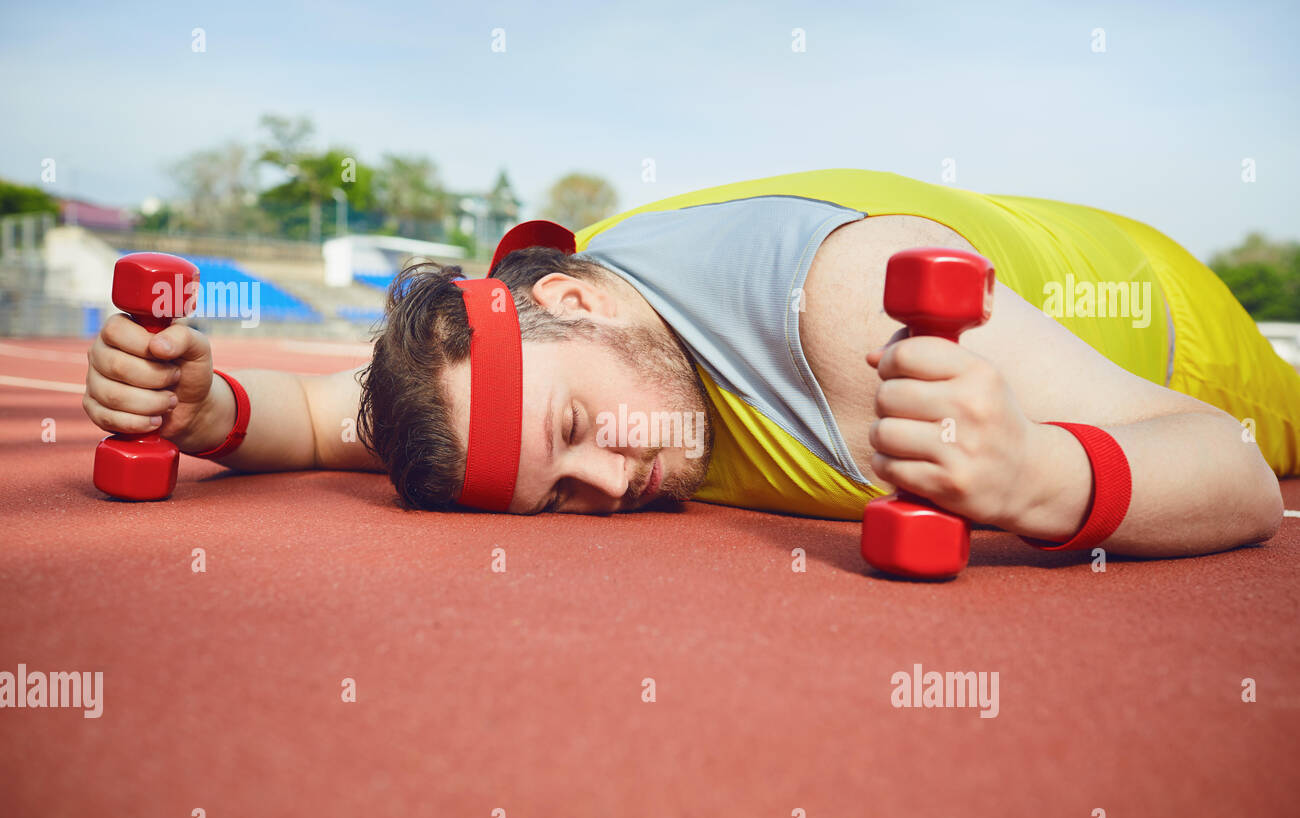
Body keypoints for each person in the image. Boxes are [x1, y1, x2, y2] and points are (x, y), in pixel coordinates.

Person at [82, 169, 1298, 559]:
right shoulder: (537, 360)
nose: (605, 485)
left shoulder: (852, 312)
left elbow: (1234, 469)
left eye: (575, 441)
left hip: (1176, 317)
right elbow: (322, 414)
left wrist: (1042, 481)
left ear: (566, 298)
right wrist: (202, 403)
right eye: (560, 496)